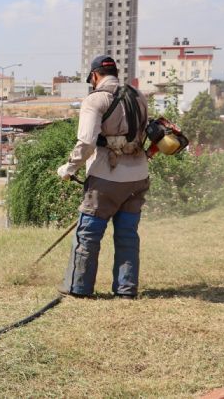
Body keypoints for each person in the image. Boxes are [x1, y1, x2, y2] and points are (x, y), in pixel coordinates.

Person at [57, 56, 149, 299]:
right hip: (138, 177)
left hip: (106, 179)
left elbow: (87, 142)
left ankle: (79, 288)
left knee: (88, 234)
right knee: (128, 235)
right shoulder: (139, 96)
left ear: (95, 76)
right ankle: (126, 290)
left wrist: (69, 168)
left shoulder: (95, 99)